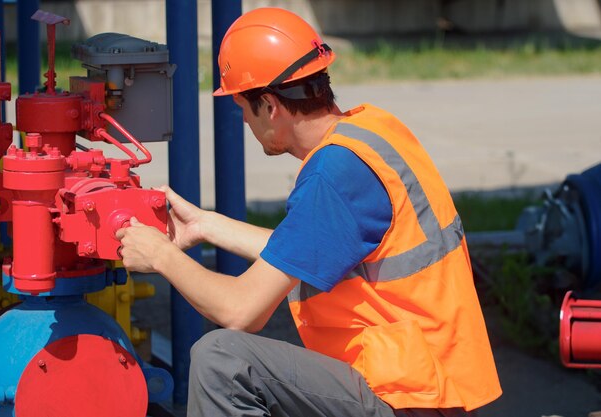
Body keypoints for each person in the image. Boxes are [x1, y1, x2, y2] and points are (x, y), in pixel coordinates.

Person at [116, 7, 502, 417]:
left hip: (410, 398)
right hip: (431, 381)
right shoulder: (370, 133)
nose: (242, 117)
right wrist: (205, 225)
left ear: (269, 105)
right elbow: (306, 247)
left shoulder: (334, 177)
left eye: (242, 106)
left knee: (222, 359)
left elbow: (240, 311)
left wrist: (160, 255)